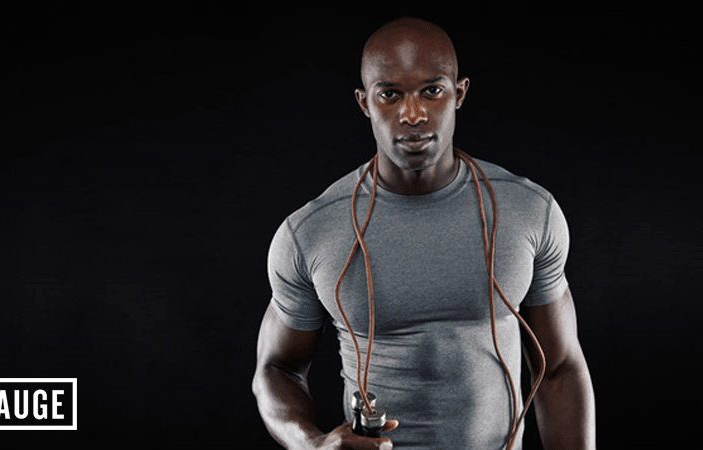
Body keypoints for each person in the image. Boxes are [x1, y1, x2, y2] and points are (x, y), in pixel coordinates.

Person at [252, 17, 595, 450]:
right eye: (390, 95)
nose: (412, 114)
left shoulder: (528, 212)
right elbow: (276, 368)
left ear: (459, 93)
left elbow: (560, 368)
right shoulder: (310, 233)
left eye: (432, 91)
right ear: (365, 103)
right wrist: (311, 444)